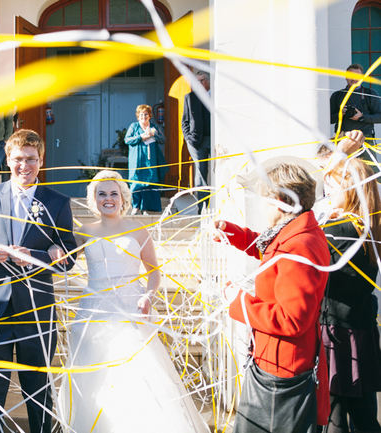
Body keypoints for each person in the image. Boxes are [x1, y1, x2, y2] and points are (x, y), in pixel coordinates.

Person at [58, 170, 209, 433]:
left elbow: (154, 274)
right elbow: (64, 262)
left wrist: (148, 295)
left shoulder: (139, 230)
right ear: (94, 198)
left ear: (123, 197)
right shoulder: (84, 231)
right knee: (95, 373)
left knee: (136, 372)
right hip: (94, 311)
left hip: (131, 309)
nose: (108, 199)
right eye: (102, 194)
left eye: (113, 194)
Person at [0, 129, 77, 433]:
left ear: (41, 160)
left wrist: (37, 255)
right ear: (8, 159)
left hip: (36, 308)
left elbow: (69, 257)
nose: (25, 165)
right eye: (19, 159)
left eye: (32, 159)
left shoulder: (57, 202)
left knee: (37, 386)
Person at [214, 163, 331, 432]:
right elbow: (271, 252)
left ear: (280, 202)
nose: (262, 207)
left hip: (281, 374)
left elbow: (292, 320)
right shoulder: (295, 232)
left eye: (264, 200)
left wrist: (238, 301)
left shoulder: (301, 245)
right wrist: (232, 233)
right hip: (274, 362)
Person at [321, 158, 381, 433]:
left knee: (335, 412)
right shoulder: (369, 226)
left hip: (336, 331)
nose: (327, 195)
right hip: (362, 328)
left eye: (331, 188)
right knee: (363, 411)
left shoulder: (335, 232)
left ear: (348, 190)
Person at [124, 104, 167, 214]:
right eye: (142, 114)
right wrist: (141, 137)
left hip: (151, 161)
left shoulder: (154, 127)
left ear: (150, 116)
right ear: (138, 116)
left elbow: (163, 139)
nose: (144, 117)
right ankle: (135, 206)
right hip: (138, 161)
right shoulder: (134, 126)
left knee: (150, 183)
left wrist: (154, 134)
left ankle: (147, 208)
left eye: (146, 114)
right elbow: (127, 140)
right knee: (136, 183)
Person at [181, 71, 212, 211]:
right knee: (201, 172)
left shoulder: (216, 96)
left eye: (201, 80)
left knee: (218, 169)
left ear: (207, 82)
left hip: (213, 138)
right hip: (196, 141)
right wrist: (189, 138)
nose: (199, 84)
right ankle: (202, 207)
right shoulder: (190, 97)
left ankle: (214, 204)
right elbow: (184, 121)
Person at [330, 64, 381, 140]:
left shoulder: (370, 93)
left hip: (365, 137)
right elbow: (329, 119)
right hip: (342, 137)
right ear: (346, 77)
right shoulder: (337, 95)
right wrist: (340, 114)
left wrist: (362, 117)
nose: (354, 78)